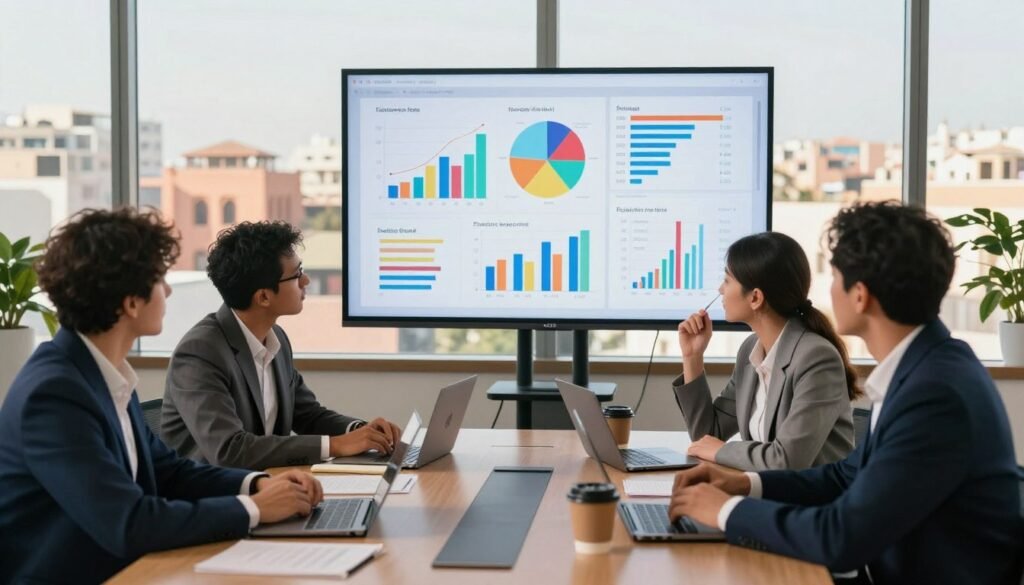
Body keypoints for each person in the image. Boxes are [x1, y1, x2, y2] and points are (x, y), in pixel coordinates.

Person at [669, 202, 1023, 584]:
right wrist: (745, 483)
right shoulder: (923, 369)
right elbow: (844, 477)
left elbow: (842, 537)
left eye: (835, 275)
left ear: (860, 295)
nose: (826, 288)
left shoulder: (935, 394)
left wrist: (726, 511)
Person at [0, 209, 323, 584]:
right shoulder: (54, 394)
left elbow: (169, 472)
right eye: (159, 280)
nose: (168, 290)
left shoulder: (103, 374)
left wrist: (256, 484)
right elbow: (128, 522)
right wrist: (252, 509)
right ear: (131, 303)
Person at [161, 221, 402, 470]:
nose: (306, 280)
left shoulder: (275, 339)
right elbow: (229, 451)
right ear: (263, 296)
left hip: (271, 485)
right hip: (213, 499)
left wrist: (362, 431)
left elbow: (307, 415)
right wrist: (337, 445)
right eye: (297, 274)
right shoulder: (200, 352)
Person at [674, 231, 857, 470]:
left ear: (755, 298)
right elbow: (707, 435)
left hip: (812, 502)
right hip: (767, 493)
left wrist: (722, 451)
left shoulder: (816, 358)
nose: (720, 289)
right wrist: (692, 357)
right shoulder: (751, 350)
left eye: (727, 280)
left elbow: (788, 460)